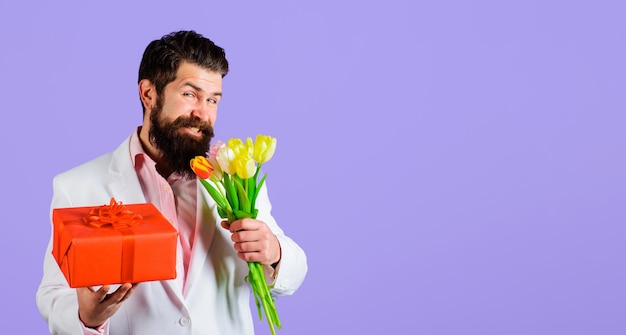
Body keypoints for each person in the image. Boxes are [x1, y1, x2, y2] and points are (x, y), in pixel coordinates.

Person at [36, 30, 308, 335]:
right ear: (149, 94)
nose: (202, 113)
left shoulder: (235, 177)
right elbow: (52, 294)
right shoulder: (78, 187)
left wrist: (275, 254)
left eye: (213, 100)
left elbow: (293, 274)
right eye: (190, 94)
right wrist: (87, 317)